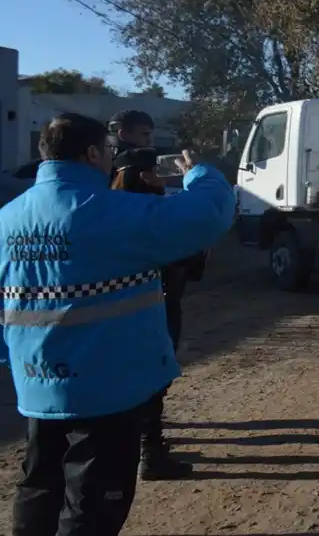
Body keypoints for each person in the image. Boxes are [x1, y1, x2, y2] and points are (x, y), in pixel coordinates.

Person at [0, 113, 235, 536]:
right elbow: (209, 213)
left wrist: (15, 358)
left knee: (39, 486)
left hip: (38, 385)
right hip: (106, 388)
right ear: (92, 153)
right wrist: (199, 171)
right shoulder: (112, 212)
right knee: (92, 507)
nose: (111, 159)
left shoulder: (8, 218)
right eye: (108, 151)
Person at [110, 147, 208, 480]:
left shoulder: (103, 211)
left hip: (111, 314)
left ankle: (135, 449)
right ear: (145, 176)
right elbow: (195, 246)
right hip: (157, 308)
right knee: (152, 382)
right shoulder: (157, 214)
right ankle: (149, 454)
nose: (161, 179)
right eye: (155, 172)